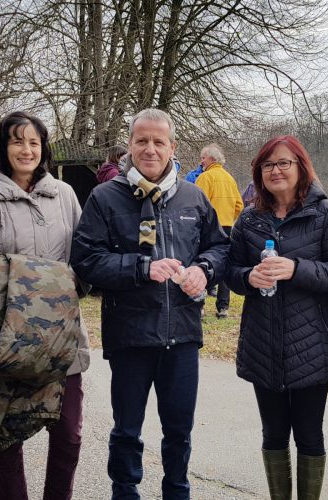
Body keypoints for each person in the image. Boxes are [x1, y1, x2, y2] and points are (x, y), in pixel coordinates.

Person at [70, 108, 229, 499]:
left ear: (173, 147)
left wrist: (205, 269)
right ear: (130, 145)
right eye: (142, 140)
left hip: (183, 336)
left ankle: (177, 491)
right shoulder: (105, 197)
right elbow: (86, 259)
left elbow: (221, 246)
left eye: (159, 141)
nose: (150, 148)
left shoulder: (194, 196)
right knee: (127, 430)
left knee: (179, 430)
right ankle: (125, 492)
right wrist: (141, 268)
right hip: (130, 335)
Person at [226, 135, 328, 500]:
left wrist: (296, 268)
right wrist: (249, 277)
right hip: (263, 343)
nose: (276, 170)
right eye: (268, 165)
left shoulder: (327, 213)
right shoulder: (249, 220)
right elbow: (231, 273)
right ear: (259, 173)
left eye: (284, 163)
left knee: (310, 434)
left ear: (301, 167)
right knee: (273, 434)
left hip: (314, 345)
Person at [0, 111, 90, 499]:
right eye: (17, 141)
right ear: (2, 146)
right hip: (7, 339)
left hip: (63, 337)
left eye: (34, 142)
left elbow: (84, 255)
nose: (26, 150)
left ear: (43, 148)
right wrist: (50, 281)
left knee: (69, 435)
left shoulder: (64, 194)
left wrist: (78, 281)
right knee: (7, 439)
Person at [196, 143, 243, 318]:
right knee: (224, 264)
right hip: (226, 225)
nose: (201, 161)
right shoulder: (230, 178)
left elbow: (197, 204)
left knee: (201, 264)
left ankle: (199, 306)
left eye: (203, 157)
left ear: (212, 159)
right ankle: (223, 307)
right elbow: (239, 204)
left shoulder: (205, 177)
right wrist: (230, 217)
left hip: (207, 227)